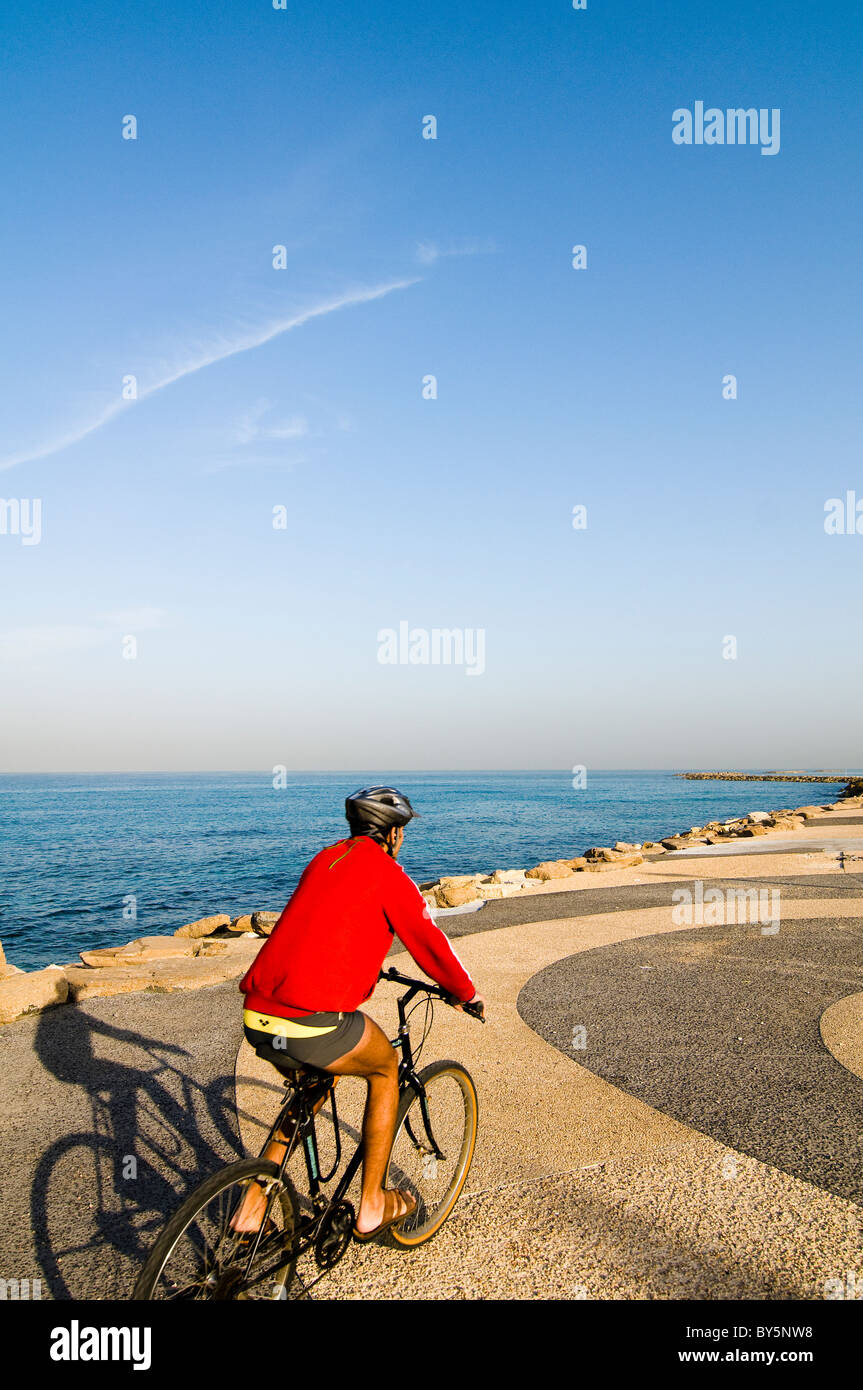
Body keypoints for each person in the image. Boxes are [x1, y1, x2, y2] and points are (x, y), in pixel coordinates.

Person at [234, 786, 486, 1241]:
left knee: (310, 1092)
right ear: (391, 834)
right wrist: (466, 994)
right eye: (402, 833)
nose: (402, 841)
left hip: (257, 1015)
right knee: (385, 1068)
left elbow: (323, 922)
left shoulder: (324, 859)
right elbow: (428, 942)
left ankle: (252, 1206)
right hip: (308, 1018)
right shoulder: (388, 874)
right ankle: (372, 1203)